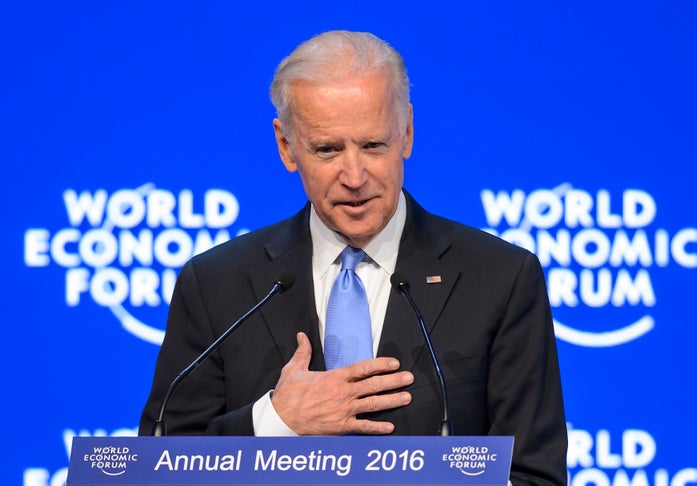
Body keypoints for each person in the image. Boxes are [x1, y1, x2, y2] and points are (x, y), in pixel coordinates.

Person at [140, 30, 567, 485]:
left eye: (373, 145)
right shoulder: (215, 284)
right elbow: (159, 468)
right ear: (286, 146)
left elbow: (532, 475)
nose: (354, 176)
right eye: (328, 149)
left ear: (406, 132)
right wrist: (277, 421)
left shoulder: (500, 279)